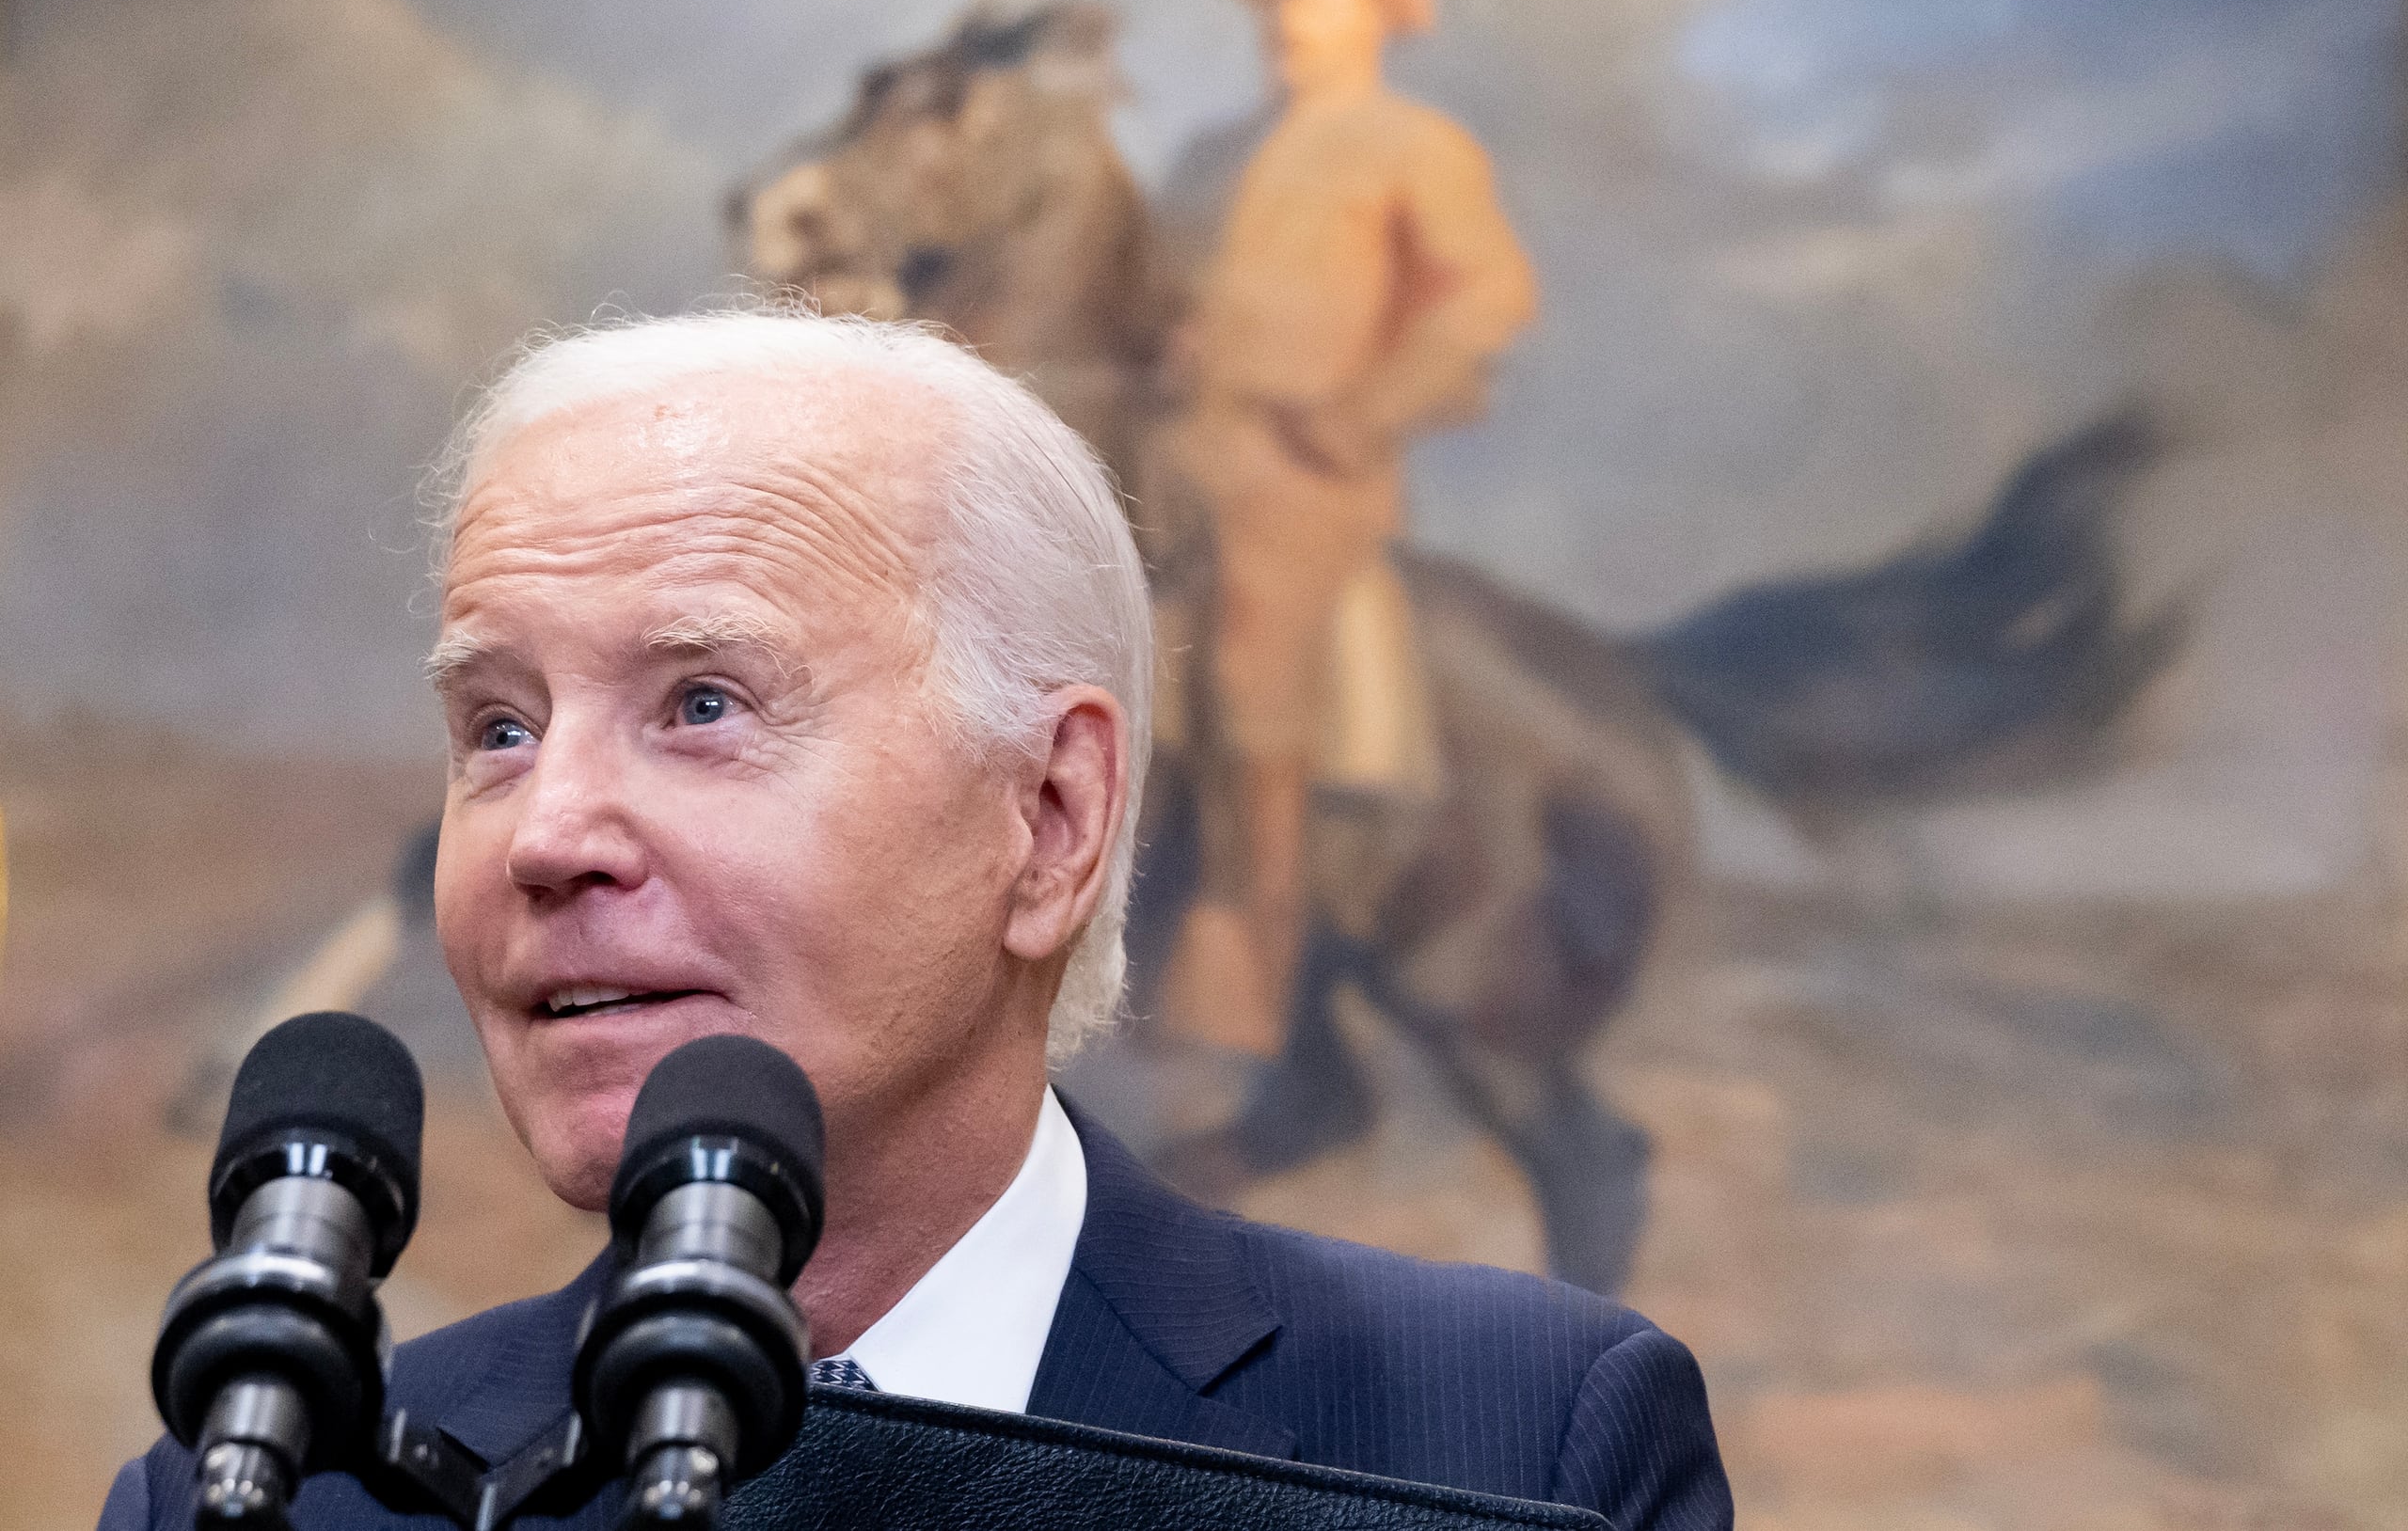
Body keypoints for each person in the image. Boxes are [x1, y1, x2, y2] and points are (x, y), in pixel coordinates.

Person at [100, 311, 1728, 1530]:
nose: (548, 835)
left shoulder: (1523, 1444)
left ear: (1051, 818)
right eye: (499, 728)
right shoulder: (259, 1489)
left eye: (705, 700)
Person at [1154, 0, 1539, 1056]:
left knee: (1244, 661)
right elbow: (1170, 288)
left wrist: (1365, 408)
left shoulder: (1412, 145)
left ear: (1375, 15)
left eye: (1315, 1)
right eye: (1277, 1)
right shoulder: (1214, 155)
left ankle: (1249, 958)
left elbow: (1488, 292)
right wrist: (1176, 335)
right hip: (1182, 443)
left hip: (1303, 465)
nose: (1287, 23)